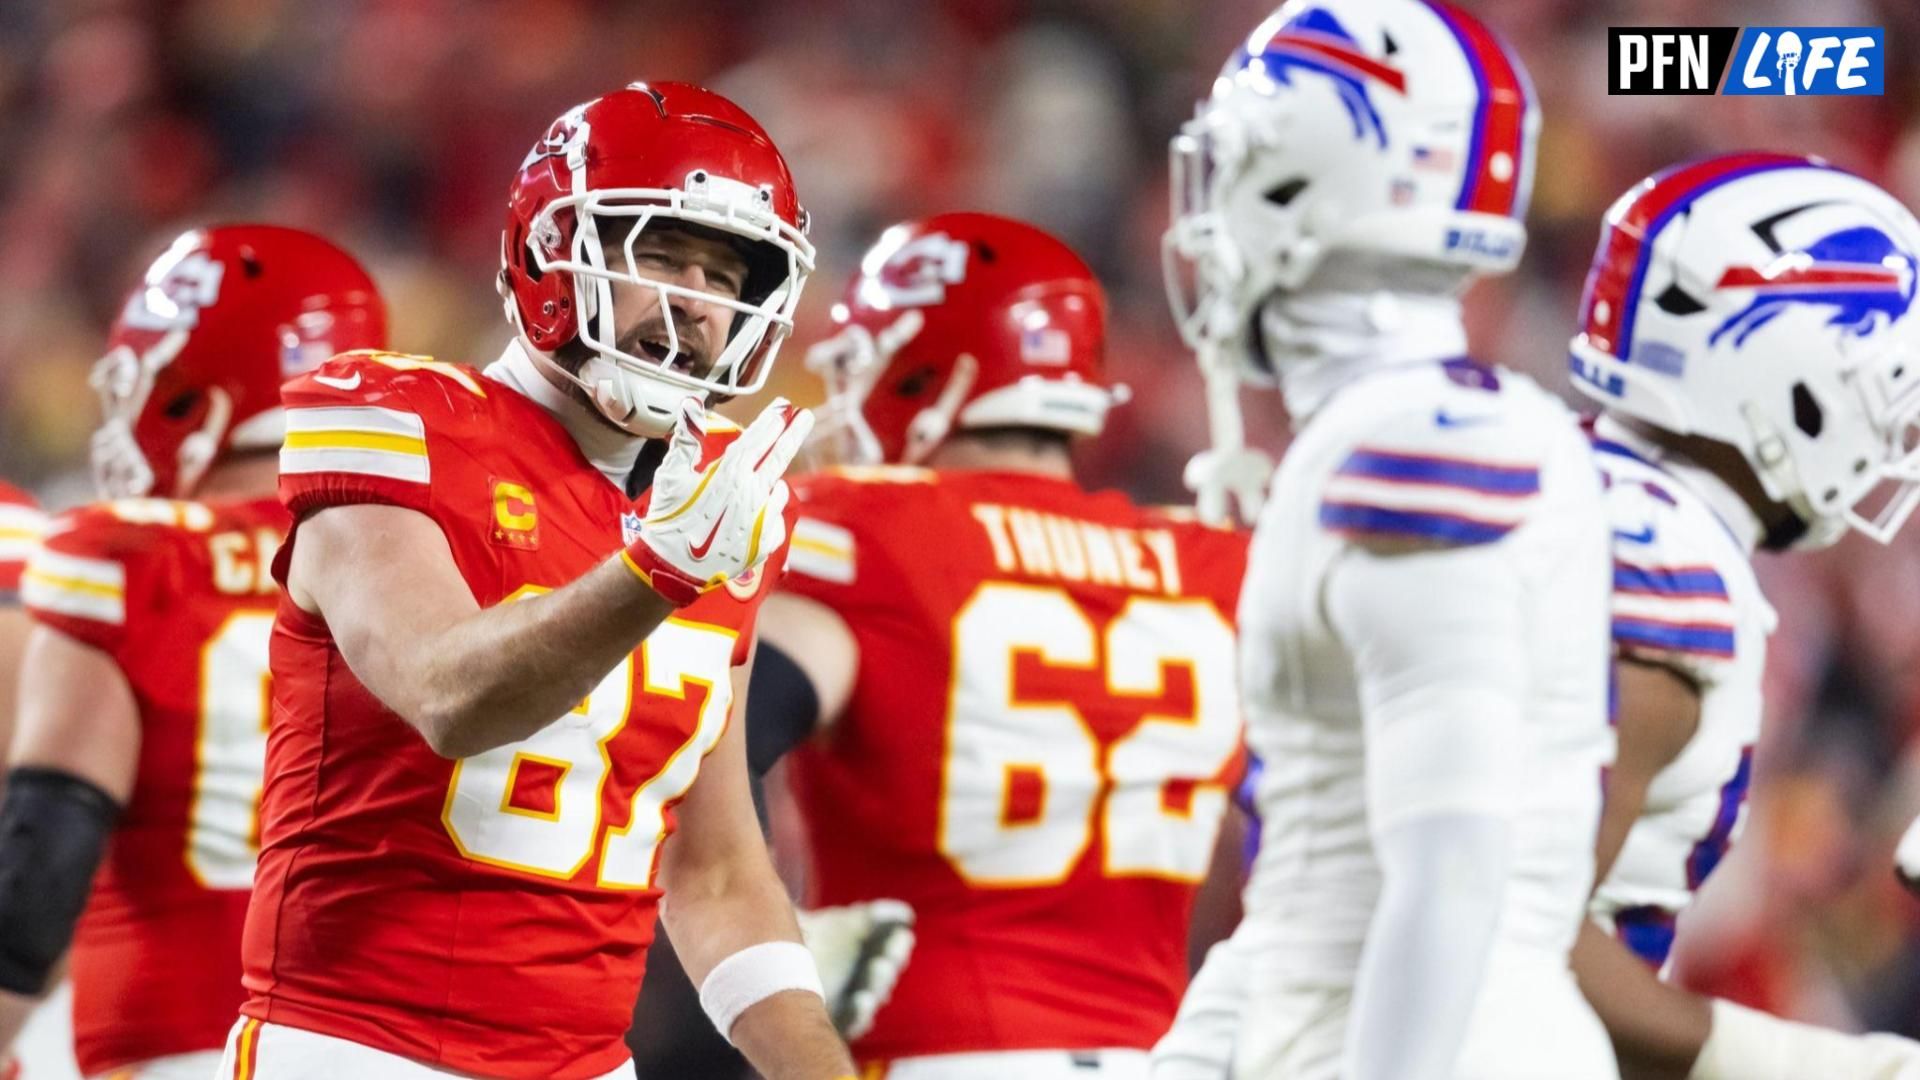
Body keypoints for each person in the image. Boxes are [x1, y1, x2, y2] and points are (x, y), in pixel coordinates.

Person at [225, 82, 853, 1080]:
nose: (694, 301)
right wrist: (655, 569)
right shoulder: (398, 425)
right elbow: (449, 695)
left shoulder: (729, 503)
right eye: (659, 254)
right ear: (550, 251)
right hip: (351, 1049)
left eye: (725, 272)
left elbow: (721, 872)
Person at [1154, 2, 1618, 1078]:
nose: (1207, 212)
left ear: (1307, 181)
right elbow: (1314, 894)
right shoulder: (1413, 427)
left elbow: (1453, 859)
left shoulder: (1421, 443)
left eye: (1236, 167)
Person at [747, 211, 1247, 1078]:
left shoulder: (864, 530)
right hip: (1168, 1056)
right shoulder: (1215, 561)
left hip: (930, 1048)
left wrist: (763, 947)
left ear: (928, 372)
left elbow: (709, 743)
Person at [0, 225, 386, 1080]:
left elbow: (43, 859)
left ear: (194, 403)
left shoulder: (128, 557)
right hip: (397, 1043)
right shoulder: (423, 562)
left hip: (171, 1036)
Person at [1569, 153, 1920, 1079]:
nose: (1896, 433)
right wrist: (1825, 1066)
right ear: (1793, 385)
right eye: (1886, 388)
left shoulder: (1579, 483)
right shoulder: (1664, 579)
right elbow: (1502, 939)